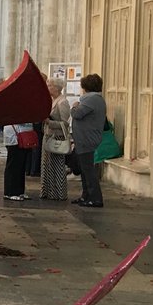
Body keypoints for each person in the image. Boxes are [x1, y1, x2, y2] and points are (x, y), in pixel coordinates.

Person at [71, 73, 107, 208]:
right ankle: (86, 195)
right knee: (84, 169)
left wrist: (74, 106)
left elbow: (77, 114)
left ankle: (95, 198)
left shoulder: (91, 99)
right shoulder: (96, 98)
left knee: (88, 171)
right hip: (85, 138)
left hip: (86, 139)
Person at [40, 78, 71, 201]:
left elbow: (65, 123)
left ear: (57, 88)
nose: (47, 88)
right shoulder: (53, 100)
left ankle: (58, 193)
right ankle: (48, 191)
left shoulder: (62, 102)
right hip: (48, 135)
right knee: (47, 165)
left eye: (49, 86)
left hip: (57, 137)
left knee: (56, 166)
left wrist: (49, 122)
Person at [2, 123, 35, 200]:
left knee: (21, 166)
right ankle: (10, 192)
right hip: (15, 137)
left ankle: (20, 191)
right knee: (13, 165)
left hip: (24, 134)